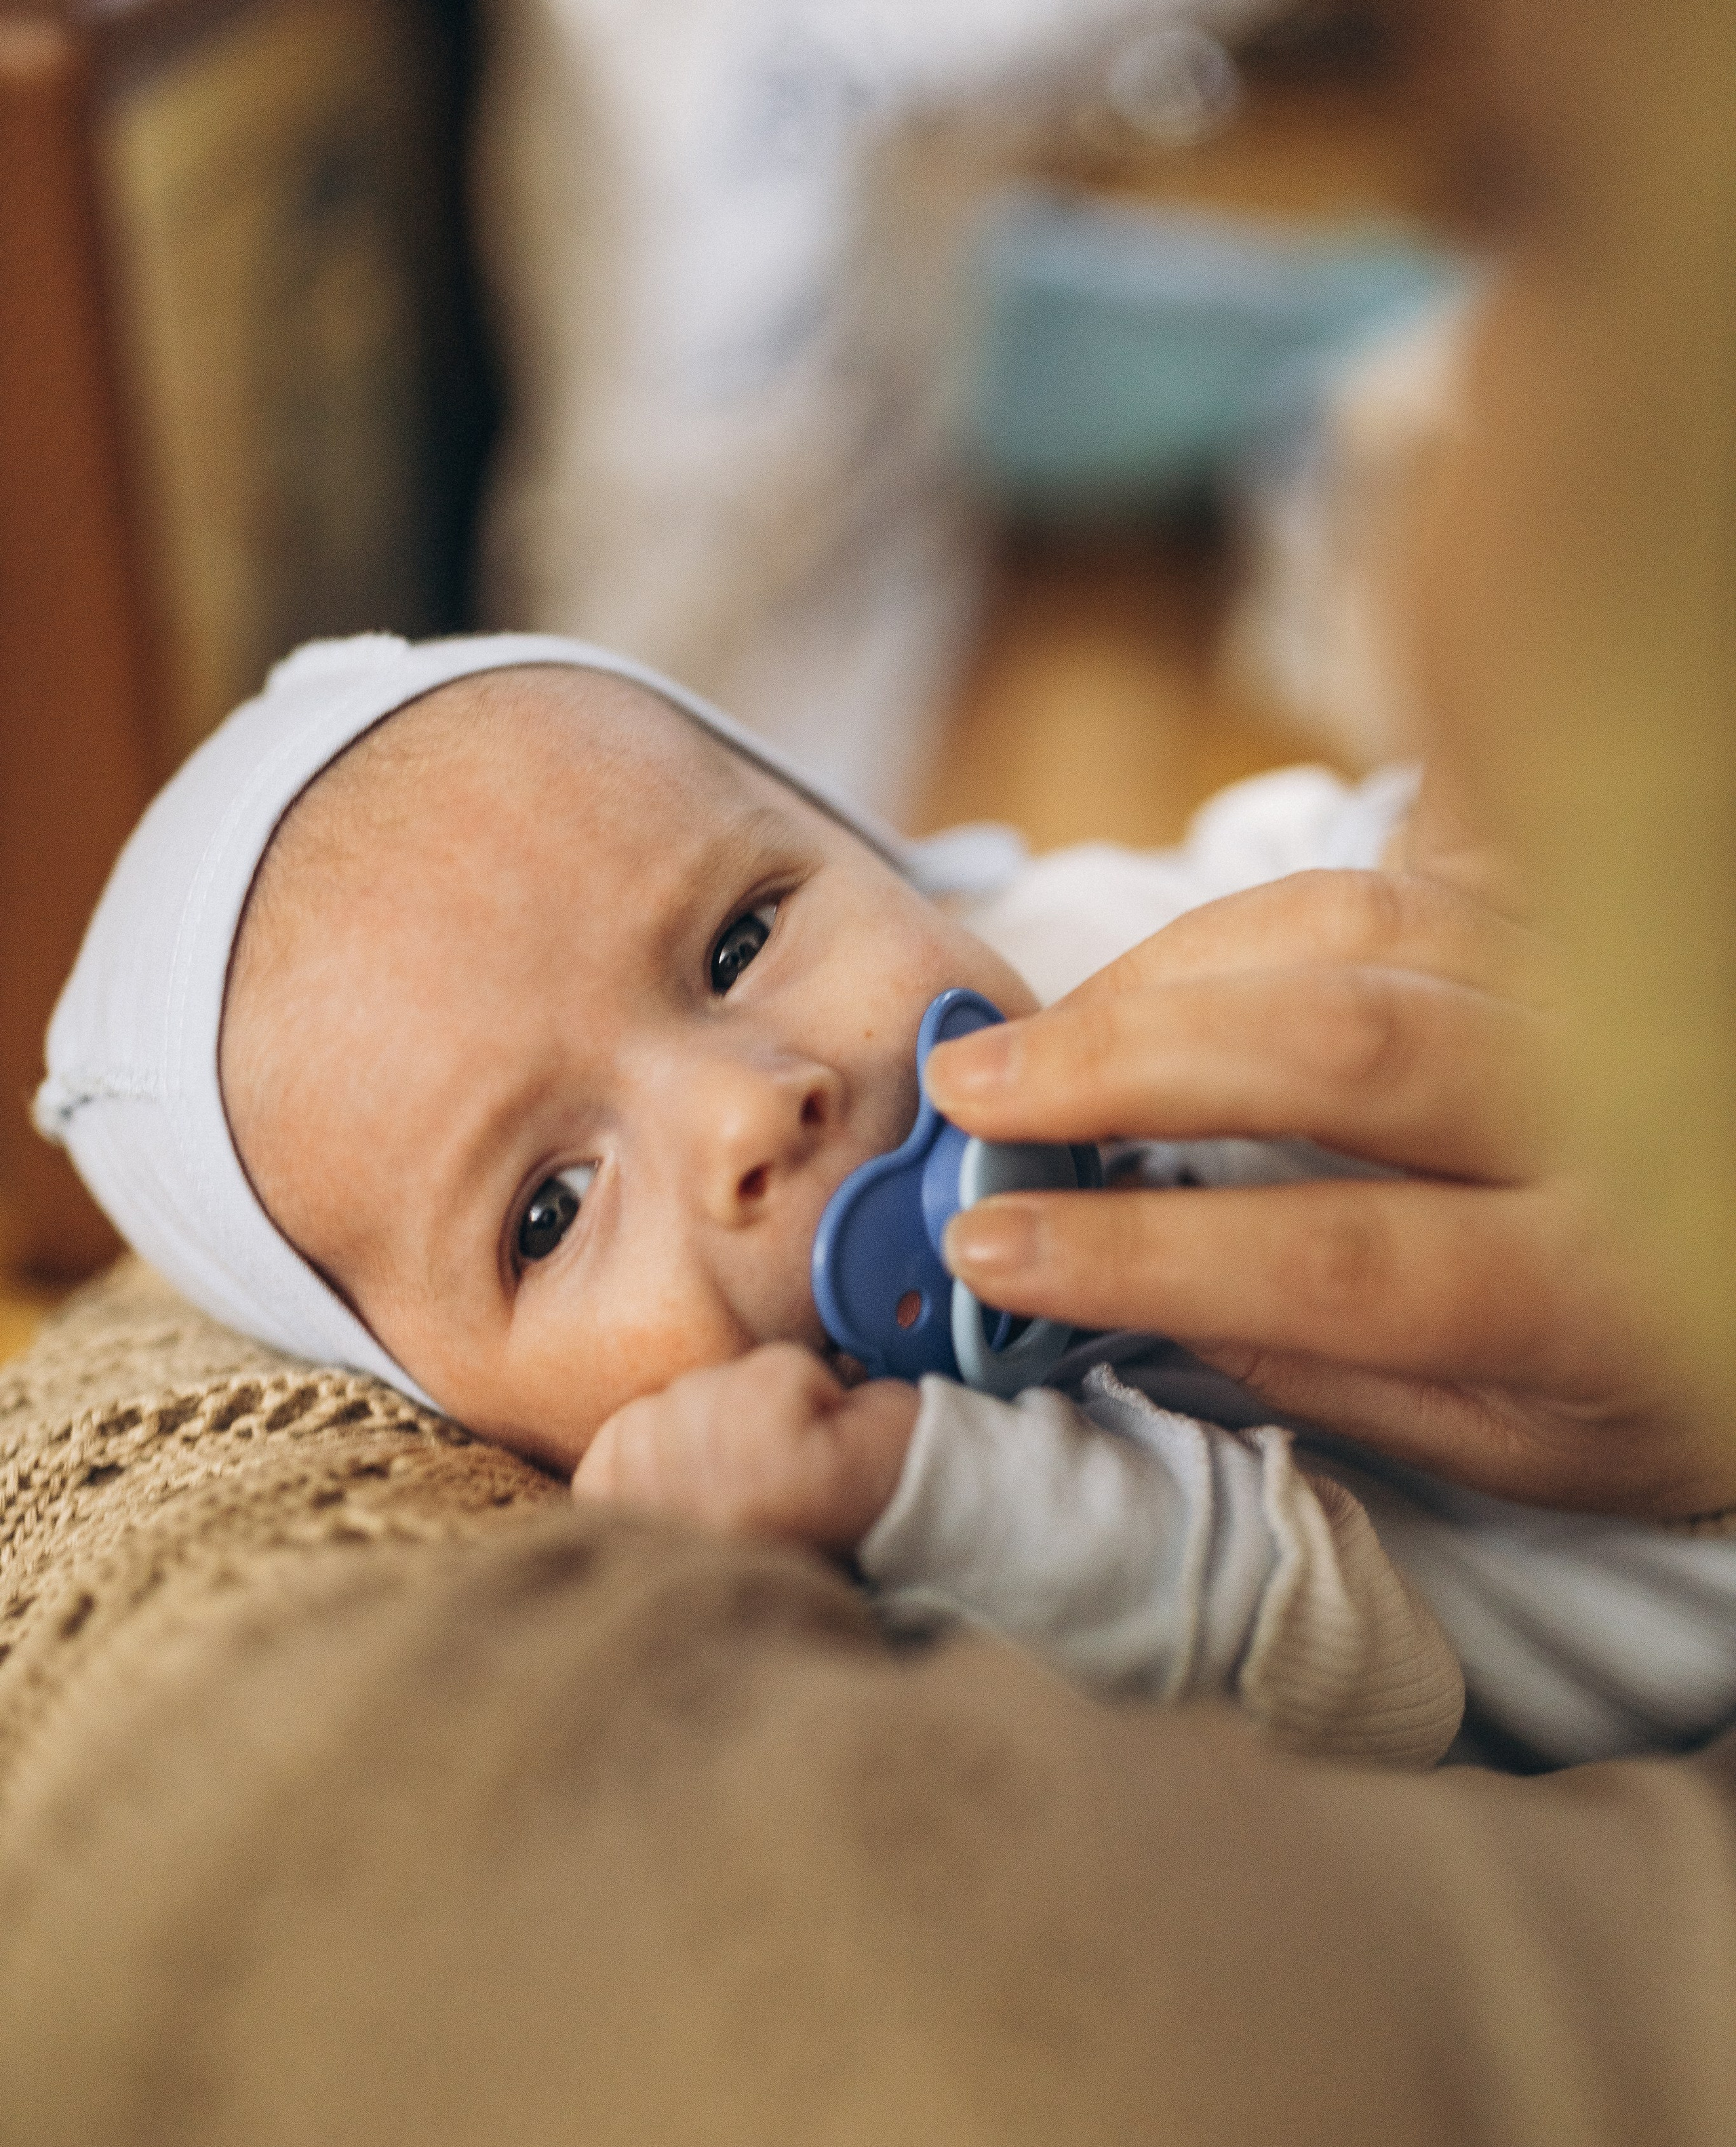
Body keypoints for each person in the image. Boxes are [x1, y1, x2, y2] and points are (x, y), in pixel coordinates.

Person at [36, 634, 1736, 1776]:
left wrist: (1487, 858)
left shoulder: (1085, 947)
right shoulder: (886, 1518)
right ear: (450, 1414)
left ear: (874, 851)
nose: (748, 1110)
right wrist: (905, 1490)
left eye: (738, 941)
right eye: (549, 1212)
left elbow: (1348, 867)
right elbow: (1353, 1669)